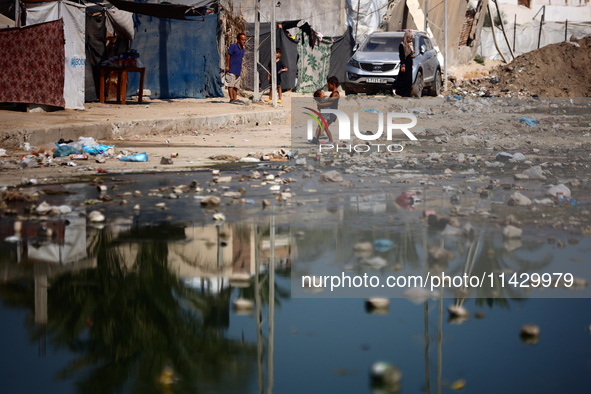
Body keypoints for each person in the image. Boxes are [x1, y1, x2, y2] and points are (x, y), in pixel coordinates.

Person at [310, 76, 339, 145]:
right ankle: (317, 139)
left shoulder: (335, 93)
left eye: (329, 85)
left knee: (325, 127)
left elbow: (331, 102)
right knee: (322, 126)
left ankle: (331, 140)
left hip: (332, 113)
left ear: (333, 84)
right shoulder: (333, 93)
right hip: (329, 112)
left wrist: (320, 105)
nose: (328, 87)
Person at [225, 33, 246, 104]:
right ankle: (231, 99)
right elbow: (228, 56)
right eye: (242, 40)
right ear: (238, 40)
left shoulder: (243, 49)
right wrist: (227, 66)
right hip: (231, 69)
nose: (244, 41)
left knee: (235, 86)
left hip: (238, 70)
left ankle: (235, 98)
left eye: (245, 40)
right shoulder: (233, 46)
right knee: (230, 84)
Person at [393, 32, 415, 97]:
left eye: (411, 39)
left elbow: (410, 54)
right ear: (406, 38)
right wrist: (403, 65)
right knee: (402, 79)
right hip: (404, 65)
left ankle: (406, 94)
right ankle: (399, 92)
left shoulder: (409, 45)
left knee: (409, 80)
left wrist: (412, 56)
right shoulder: (402, 45)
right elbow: (402, 56)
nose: (411, 40)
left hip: (409, 64)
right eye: (410, 39)